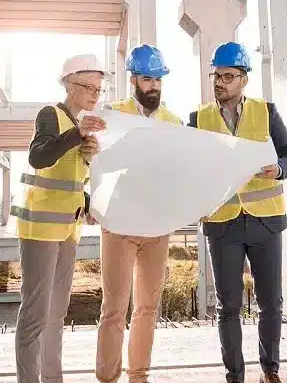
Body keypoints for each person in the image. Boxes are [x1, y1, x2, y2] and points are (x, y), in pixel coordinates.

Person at [187, 42, 287, 383]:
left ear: (244, 79)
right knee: (229, 307)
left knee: (270, 303)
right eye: (216, 76)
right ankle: (234, 375)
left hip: (265, 220)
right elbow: (187, 164)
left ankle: (270, 370)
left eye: (228, 76)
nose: (220, 82)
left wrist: (278, 169)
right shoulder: (198, 119)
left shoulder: (267, 112)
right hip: (223, 225)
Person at [11, 53, 107, 383]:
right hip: (40, 228)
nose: (95, 93)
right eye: (88, 85)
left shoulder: (79, 129)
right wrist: (75, 135)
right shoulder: (51, 115)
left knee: (56, 315)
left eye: (99, 88)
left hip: (68, 229)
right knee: (36, 314)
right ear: (68, 84)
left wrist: (89, 204)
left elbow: (70, 181)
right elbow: (38, 157)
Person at [95, 44, 184, 383]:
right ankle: (107, 377)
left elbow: (180, 169)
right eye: (148, 79)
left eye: (159, 79)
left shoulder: (172, 122)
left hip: (156, 227)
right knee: (114, 308)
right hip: (118, 225)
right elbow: (94, 164)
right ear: (134, 80)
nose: (155, 86)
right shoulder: (111, 115)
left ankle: (139, 376)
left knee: (147, 307)